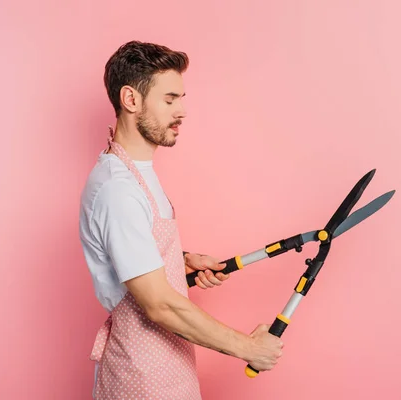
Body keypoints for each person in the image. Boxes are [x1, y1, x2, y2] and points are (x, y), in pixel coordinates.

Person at [79, 40, 284, 400]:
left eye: (182, 98)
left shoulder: (135, 174)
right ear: (131, 100)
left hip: (168, 365)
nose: (183, 111)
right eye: (170, 99)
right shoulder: (119, 191)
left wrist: (180, 259)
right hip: (142, 378)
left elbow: (131, 247)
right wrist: (248, 348)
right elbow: (159, 304)